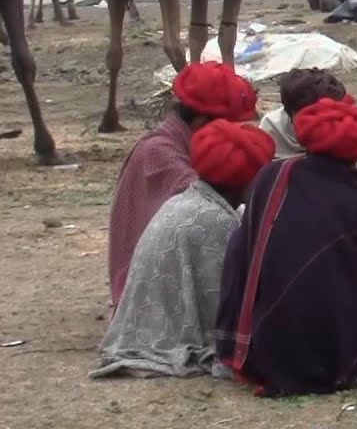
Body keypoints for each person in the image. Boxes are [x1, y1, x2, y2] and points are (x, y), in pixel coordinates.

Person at [215, 97, 357, 397]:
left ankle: (235, 341)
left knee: (241, 239)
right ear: (356, 154)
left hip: (261, 348)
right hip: (330, 354)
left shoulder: (271, 177)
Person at [91, 120, 275, 379]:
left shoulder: (185, 201)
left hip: (140, 329)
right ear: (243, 181)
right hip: (165, 340)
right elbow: (221, 310)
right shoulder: (215, 220)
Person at [107, 61, 258, 309]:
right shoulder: (160, 155)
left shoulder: (177, 145)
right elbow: (212, 212)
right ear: (200, 123)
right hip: (150, 299)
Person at [258, 68, 357, 194]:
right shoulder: (272, 128)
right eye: (312, 114)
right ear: (290, 112)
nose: (322, 120)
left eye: (330, 111)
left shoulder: (350, 136)